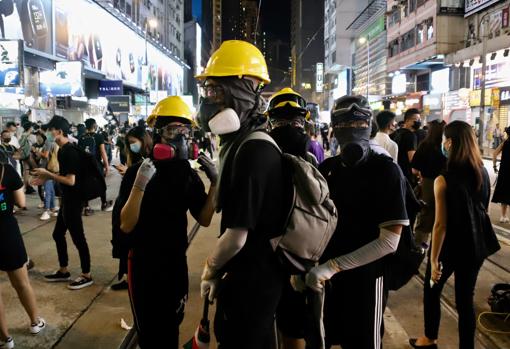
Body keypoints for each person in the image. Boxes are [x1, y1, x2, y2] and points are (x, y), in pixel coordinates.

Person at [196, 40, 287, 348]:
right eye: (208, 91)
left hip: (254, 281)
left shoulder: (254, 150)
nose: (209, 101)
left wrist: (210, 269)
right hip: (250, 276)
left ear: (245, 92)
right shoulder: (243, 143)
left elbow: (236, 237)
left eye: (217, 91)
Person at [306, 95, 408, 349]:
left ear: (369, 125)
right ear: (333, 128)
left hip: (367, 278)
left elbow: (390, 241)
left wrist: (333, 266)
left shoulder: (386, 170)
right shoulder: (328, 168)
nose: (351, 130)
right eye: (342, 124)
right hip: (328, 279)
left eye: (358, 123)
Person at [119, 96, 217, 348]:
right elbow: (126, 224)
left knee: (172, 327)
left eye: (185, 131)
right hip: (143, 266)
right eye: (173, 130)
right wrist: (140, 183)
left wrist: (216, 183)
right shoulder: (136, 172)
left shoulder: (186, 174)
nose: (180, 137)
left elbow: (204, 219)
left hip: (174, 264)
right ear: (158, 134)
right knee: (150, 335)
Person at [409, 121, 500, 349]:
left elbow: (440, 225)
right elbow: (483, 210)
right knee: (464, 301)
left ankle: (429, 339)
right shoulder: (482, 172)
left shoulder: (444, 179)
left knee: (432, 289)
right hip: (475, 245)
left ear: (449, 143)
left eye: (443, 141)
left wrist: (433, 258)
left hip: (449, 246)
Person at [266, 87, 313, 349]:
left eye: (294, 122)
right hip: (294, 258)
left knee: (290, 328)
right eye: (282, 122)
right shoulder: (311, 158)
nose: (288, 128)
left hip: (281, 259)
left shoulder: (261, 156)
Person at [32, 116, 94, 290]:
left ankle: (86, 274)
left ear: (58, 131)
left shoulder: (68, 151)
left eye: (50, 130)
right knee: (58, 234)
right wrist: (46, 178)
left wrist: (48, 174)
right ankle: (63, 270)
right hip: (67, 200)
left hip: (74, 201)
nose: (47, 133)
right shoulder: (63, 150)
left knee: (78, 238)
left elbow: (71, 181)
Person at [0, 163, 46, 349]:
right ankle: (35, 322)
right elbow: (22, 202)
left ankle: (5, 339)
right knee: (21, 283)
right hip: (7, 232)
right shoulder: (7, 170)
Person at [110, 126, 152, 291]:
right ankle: (127, 276)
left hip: (136, 206)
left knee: (129, 240)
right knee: (123, 240)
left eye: (134, 142)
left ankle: (131, 277)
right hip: (126, 201)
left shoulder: (150, 159)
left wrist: (132, 173)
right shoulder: (134, 158)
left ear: (144, 140)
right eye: (129, 143)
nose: (132, 146)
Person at [411, 120, 447, 247]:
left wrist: (421, 175)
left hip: (428, 184)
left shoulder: (424, 145)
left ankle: (420, 247)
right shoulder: (447, 147)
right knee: (443, 216)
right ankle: (437, 249)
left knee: (426, 216)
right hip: (445, 184)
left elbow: (414, 169)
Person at [78, 118, 112, 215]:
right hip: (96, 164)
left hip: (84, 165)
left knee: (85, 184)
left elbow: (80, 152)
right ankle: (104, 203)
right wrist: (107, 166)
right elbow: (103, 152)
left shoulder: (81, 137)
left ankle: (87, 207)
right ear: (94, 125)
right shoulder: (98, 136)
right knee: (101, 182)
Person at [391, 108, 422, 186]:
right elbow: (412, 159)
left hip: (395, 172)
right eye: (415, 119)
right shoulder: (411, 135)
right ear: (407, 121)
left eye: (419, 119)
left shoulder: (395, 133)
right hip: (406, 175)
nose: (418, 122)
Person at [36, 130, 60, 221]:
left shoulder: (48, 141)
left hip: (47, 168)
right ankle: (53, 207)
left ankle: (47, 210)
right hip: (55, 169)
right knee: (51, 189)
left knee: (47, 190)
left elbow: (45, 155)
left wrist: (38, 152)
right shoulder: (56, 141)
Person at [492, 126, 510, 223]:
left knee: (504, 193)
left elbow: (494, 153)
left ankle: (503, 216)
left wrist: (494, 166)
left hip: (504, 172)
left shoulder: (504, 144)